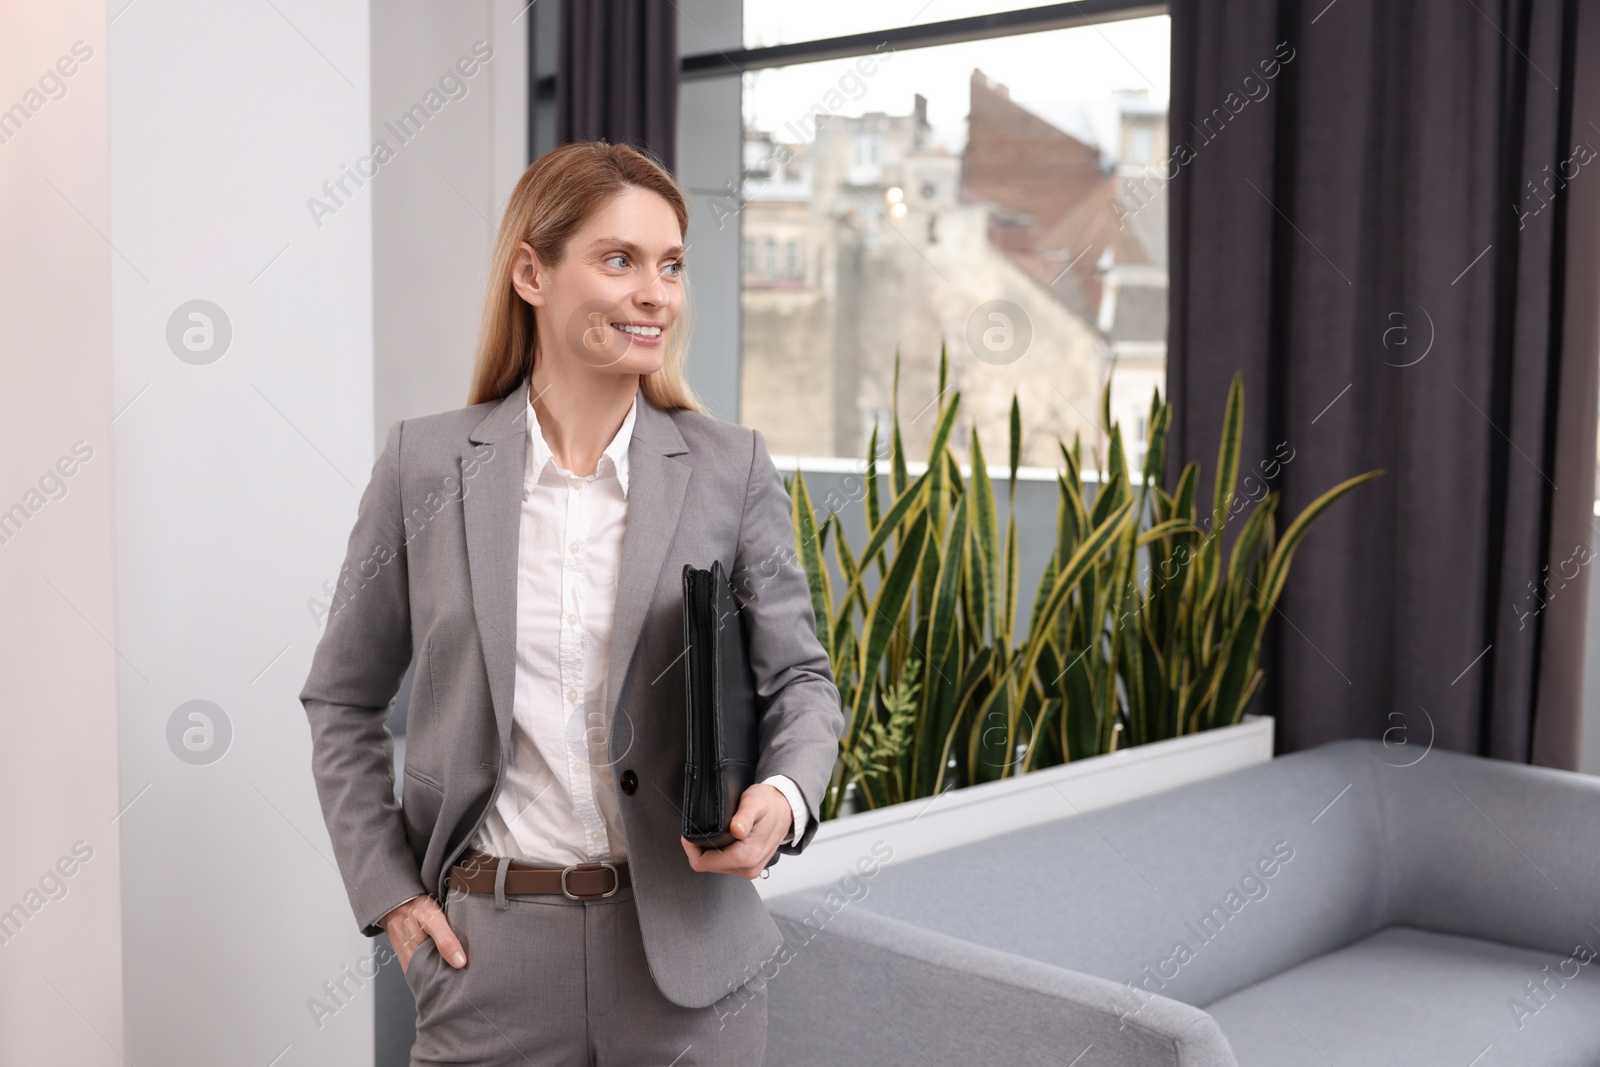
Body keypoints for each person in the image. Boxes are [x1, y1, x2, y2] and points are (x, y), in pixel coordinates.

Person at [299, 140, 845, 1066]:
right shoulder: (423, 466)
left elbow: (800, 677)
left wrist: (785, 796)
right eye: (619, 259)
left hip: (687, 958)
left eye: (670, 265)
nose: (655, 293)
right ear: (531, 273)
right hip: (488, 960)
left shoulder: (730, 467)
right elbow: (342, 699)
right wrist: (390, 892)